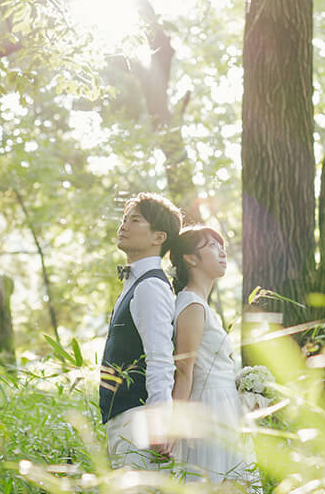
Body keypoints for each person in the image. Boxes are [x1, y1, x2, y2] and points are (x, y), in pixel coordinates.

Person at [169, 225, 262, 491]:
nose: (222, 252)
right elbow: (184, 370)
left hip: (225, 409)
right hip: (208, 409)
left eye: (221, 245)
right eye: (211, 246)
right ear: (190, 258)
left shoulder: (200, 304)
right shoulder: (192, 305)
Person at [99, 192, 183, 469]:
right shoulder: (135, 284)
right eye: (124, 219)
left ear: (159, 237)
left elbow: (160, 358)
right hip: (124, 420)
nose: (123, 225)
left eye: (135, 220)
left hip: (140, 419)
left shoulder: (151, 287)